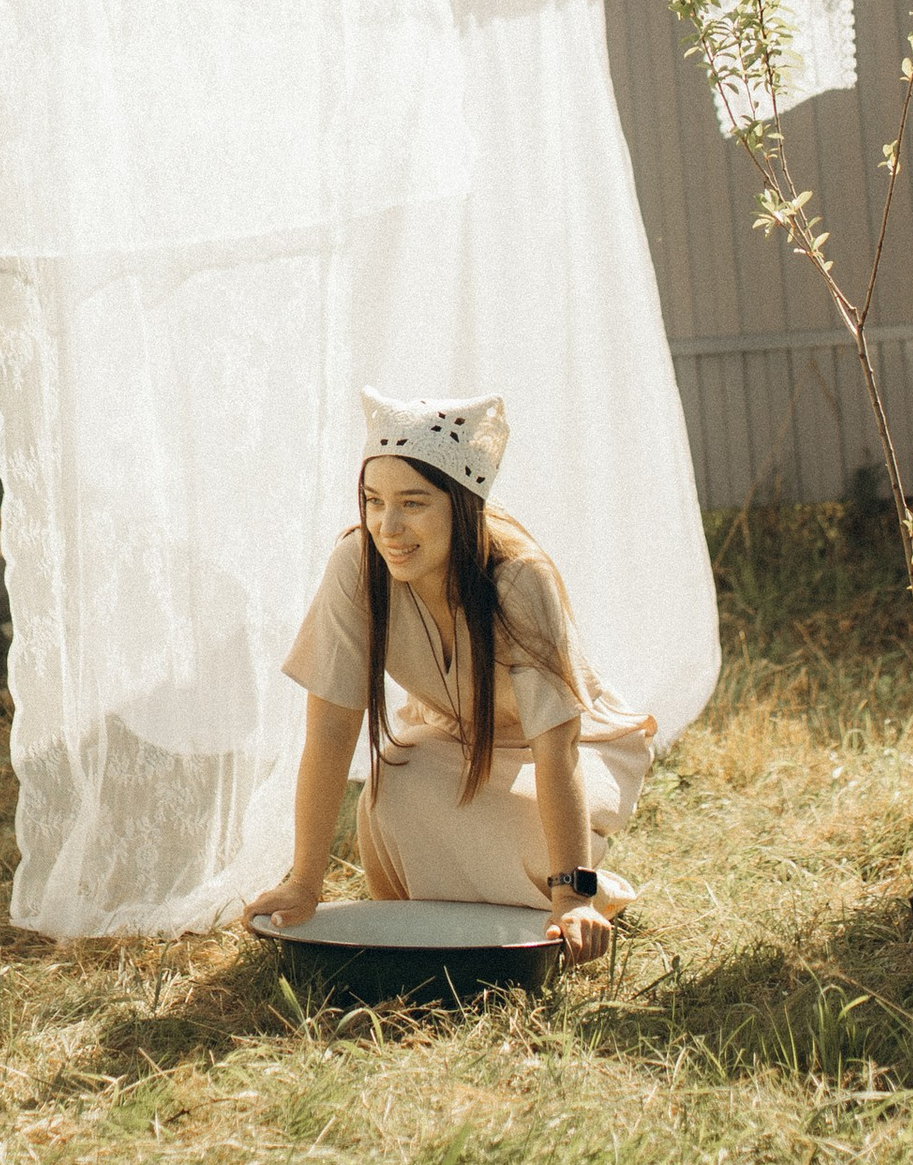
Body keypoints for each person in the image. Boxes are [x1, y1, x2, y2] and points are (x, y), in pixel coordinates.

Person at [249, 387, 654, 968]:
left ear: (461, 505)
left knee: (526, 836)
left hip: (576, 746)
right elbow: (332, 730)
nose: (388, 526)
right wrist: (304, 882)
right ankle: (436, 922)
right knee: (392, 788)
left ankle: (588, 892)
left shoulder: (519, 578)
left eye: (413, 503)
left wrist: (570, 895)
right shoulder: (357, 565)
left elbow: (557, 749)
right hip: (455, 736)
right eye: (373, 501)